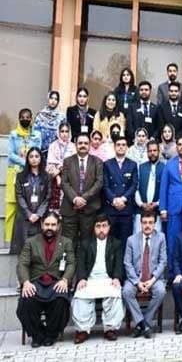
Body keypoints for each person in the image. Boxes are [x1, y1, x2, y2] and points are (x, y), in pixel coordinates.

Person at [16, 212, 74, 347]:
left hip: (56, 282)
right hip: (36, 282)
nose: (50, 227)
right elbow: (22, 264)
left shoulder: (66, 242)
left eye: (53, 225)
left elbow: (71, 263)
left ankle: (51, 335)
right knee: (26, 303)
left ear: (58, 226)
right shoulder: (31, 242)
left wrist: (65, 279)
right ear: (42, 224)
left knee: (61, 302)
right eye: (47, 224)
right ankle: (37, 335)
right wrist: (26, 282)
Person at [71, 215, 124, 344]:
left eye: (104, 226)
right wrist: (82, 278)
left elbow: (118, 264)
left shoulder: (116, 243)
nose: (101, 229)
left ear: (109, 227)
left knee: (115, 294)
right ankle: (83, 330)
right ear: (94, 228)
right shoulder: (85, 243)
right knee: (80, 295)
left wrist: (117, 277)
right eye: (98, 226)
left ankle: (110, 329)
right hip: (90, 279)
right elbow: (80, 264)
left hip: (108, 279)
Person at [122, 212, 167, 339]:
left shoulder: (161, 238)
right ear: (140, 223)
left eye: (150, 223)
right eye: (145, 223)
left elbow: (163, 261)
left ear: (155, 224)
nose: (147, 226)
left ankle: (142, 324)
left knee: (161, 291)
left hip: (154, 278)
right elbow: (127, 263)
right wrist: (137, 282)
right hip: (135, 278)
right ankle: (144, 325)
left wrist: (152, 280)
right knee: (126, 292)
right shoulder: (131, 240)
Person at [60, 134, 104, 250]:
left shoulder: (97, 162)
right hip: (70, 208)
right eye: (80, 143)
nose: (83, 145)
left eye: (85, 143)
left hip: (89, 209)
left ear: (89, 145)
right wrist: (75, 198)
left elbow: (99, 183)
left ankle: (84, 263)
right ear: (76, 145)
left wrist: (84, 198)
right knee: (68, 243)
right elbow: (64, 182)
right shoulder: (68, 161)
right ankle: (70, 262)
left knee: (87, 244)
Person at [7, 109, 42, 244]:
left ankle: (26, 241)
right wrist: (26, 161)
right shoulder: (13, 134)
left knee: (28, 206)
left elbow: (37, 152)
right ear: (19, 118)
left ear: (31, 119)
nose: (25, 119)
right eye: (22, 117)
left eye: (28, 117)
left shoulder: (37, 135)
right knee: (12, 207)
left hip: (31, 173)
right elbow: (11, 154)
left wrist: (30, 162)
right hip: (15, 172)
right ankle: (8, 241)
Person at [11, 147, 50, 255]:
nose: (34, 159)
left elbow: (48, 197)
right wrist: (29, 214)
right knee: (24, 252)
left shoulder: (46, 177)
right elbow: (19, 196)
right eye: (31, 156)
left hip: (40, 217)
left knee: (40, 252)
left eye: (36, 156)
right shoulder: (20, 176)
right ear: (27, 159)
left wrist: (38, 214)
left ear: (41, 158)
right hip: (24, 217)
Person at [103, 136, 138, 249]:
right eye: (118, 145)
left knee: (125, 243)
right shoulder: (107, 164)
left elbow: (134, 185)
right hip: (111, 209)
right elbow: (105, 185)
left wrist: (123, 199)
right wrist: (114, 200)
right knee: (111, 242)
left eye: (123, 145)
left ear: (127, 147)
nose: (121, 147)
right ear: (114, 147)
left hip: (126, 209)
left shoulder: (132, 164)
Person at [134, 140, 164, 233]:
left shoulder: (164, 168)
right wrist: (141, 204)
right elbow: (136, 188)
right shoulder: (141, 167)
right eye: (150, 151)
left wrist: (157, 203)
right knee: (138, 238)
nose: (152, 153)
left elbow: (166, 190)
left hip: (157, 211)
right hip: (141, 210)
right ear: (147, 152)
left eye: (155, 150)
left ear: (159, 152)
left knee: (156, 239)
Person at [45, 123, 75, 212]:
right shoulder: (53, 146)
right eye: (62, 131)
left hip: (69, 179)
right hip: (54, 179)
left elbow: (74, 164)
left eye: (66, 131)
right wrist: (58, 176)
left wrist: (61, 169)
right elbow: (50, 164)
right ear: (58, 132)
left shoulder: (73, 146)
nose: (64, 134)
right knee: (54, 208)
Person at [33, 91, 66, 159]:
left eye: (56, 99)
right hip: (40, 150)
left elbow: (64, 134)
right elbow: (35, 133)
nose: (53, 101)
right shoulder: (40, 115)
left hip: (56, 151)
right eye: (51, 98)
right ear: (48, 99)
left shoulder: (62, 117)